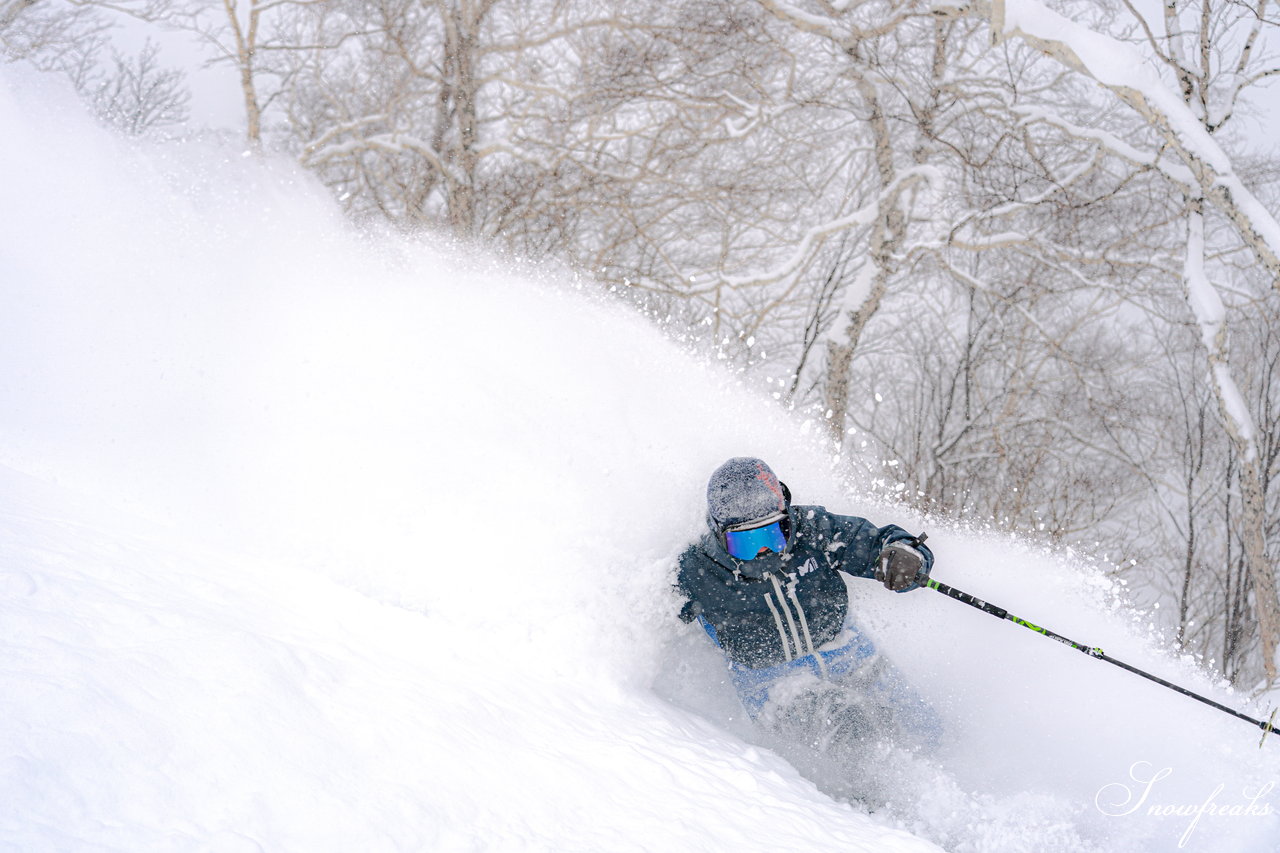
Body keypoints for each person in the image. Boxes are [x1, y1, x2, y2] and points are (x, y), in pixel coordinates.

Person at [675, 456, 936, 753]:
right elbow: (650, 614)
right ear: (718, 532)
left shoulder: (812, 531)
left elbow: (878, 543)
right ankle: (865, 797)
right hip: (773, 682)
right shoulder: (699, 570)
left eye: (773, 534)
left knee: (922, 728)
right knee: (852, 729)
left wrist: (904, 556)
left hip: (847, 650)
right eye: (745, 542)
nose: (763, 549)